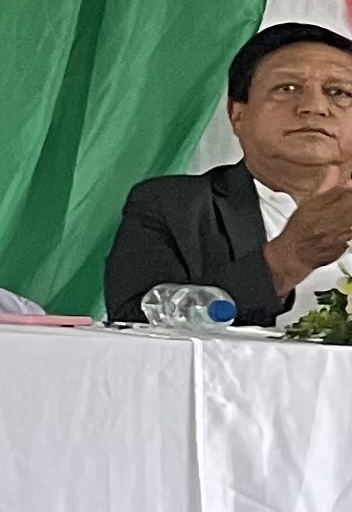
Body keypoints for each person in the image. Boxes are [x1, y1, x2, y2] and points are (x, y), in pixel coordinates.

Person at [101, 20, 352, 324]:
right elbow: (135, 323)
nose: (314, 107)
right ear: (237, 114)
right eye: (287, 88)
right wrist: (287, 259)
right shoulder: (174, 206)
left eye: (339, 92)